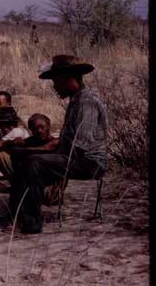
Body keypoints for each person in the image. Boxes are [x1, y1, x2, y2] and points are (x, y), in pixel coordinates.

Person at [9, 55, 107, 234]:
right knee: (25, 160)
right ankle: (15, 215)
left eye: (56, 80)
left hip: (90, 162)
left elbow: (80, 147)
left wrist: (47, 153)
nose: (54, 86)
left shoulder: (86, 102)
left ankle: (32, 224)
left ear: (68, 78)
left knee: (34, 163)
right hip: (75, 157)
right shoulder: (76, 101)